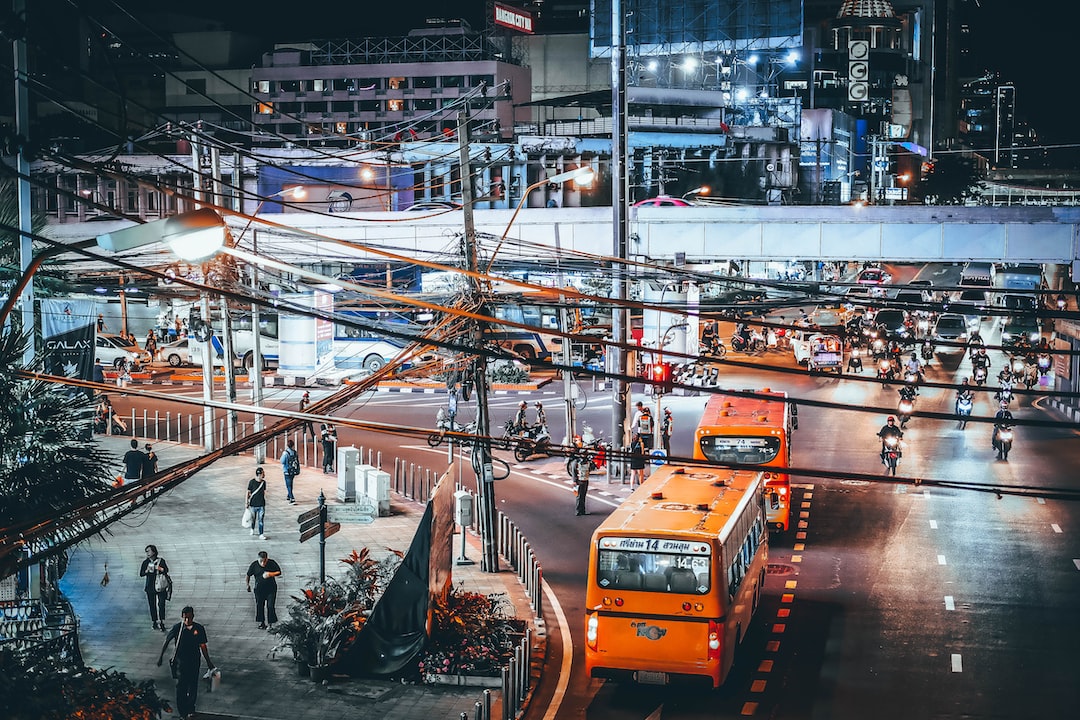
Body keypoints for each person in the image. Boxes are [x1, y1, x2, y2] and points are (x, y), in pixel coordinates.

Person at [157, 606, 215, 720]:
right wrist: (161, 657)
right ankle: (182, 711)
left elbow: (203, 646)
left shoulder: (199, 628)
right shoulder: (178, 628)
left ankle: (191, 708)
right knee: (181, 687)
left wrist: (209, 662)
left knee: (193, 685)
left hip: (194, 661)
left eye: (189, 617)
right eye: (185, 618)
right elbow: (167, 641)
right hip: (181, 662)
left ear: (193, 616)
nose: (187, 620)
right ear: (182, 617)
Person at [245, 551, 282, 630]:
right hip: (259, 589)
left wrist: (270, 574)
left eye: (264, 561)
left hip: (271, 589)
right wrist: (247, 585)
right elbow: (248, 575)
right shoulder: (254, 565)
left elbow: (279, 572)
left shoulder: (272, 563)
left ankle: (271, 624)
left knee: (270, 606)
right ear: (258, 559)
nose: (263, 563)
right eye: (261, 561)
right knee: (259, 605)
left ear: (267, 559)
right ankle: (261, 622)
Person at [139, 545, 170, 631]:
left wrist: (159, 568)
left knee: (161, 604)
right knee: (152, 605)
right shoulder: (145, 562)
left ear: (154, 552)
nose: (147, 553)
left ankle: (162, 621)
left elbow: (166, 570)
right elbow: (141, 573)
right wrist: (146, 571)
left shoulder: (161, 561)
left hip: (160, 586)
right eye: (146, 552)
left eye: (148, 551)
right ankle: (154, 621)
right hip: (150, 587)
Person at [247, 467, 268, 539]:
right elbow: (248, 492)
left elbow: (264, 492)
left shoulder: (263, 482)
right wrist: (246, 502)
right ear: (259, 474)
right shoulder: (252, 482)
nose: (264, 475)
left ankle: (261, 534)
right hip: (253, 504)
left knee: (261, 520)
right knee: (253, 519)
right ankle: (252, 529)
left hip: (261, 504)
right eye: (263, 473)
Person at [280, 438, 299, 504]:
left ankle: (292, 498)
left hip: (287, 470)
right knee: (291, 483)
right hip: (293, 470)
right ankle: (288, 495)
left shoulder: (285, 453)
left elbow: (282, 461)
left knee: (288, 485)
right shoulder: (295, 452)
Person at [573, 449, 592, 516]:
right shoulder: (576, 462)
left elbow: (590, 469)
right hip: (579, 481)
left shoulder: (587, 462)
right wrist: (574, 481)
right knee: (579, 496)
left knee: (583, 496)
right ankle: (578, 511)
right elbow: (574, 471)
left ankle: (583, 510)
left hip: (585, 480)